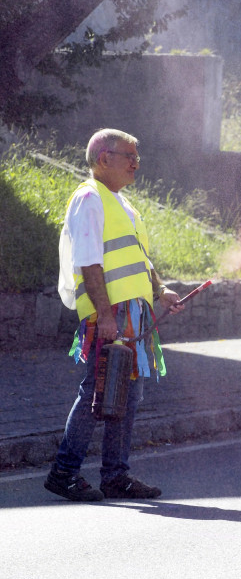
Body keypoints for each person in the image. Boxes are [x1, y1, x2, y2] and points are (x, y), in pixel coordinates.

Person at [45, 129, 183, 502]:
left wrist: (160, 290)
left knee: (128, 393)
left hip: (132, 314)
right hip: (111, 314)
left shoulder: (121, 204)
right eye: (129, 156)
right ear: (104, 158)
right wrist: (104, 314)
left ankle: (115, 476)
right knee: (99, 390)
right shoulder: (90, 199)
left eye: (138, 156)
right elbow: (88, 261)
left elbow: (137, 257)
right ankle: (64, 472)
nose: (136, 164)